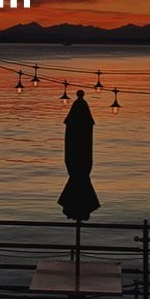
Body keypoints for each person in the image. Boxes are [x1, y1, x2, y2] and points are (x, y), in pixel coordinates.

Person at [58, 90, 100, 221]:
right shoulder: (84, 162)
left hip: (76, 166)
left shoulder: (74, 161)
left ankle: (76, 209)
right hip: (81, 167)